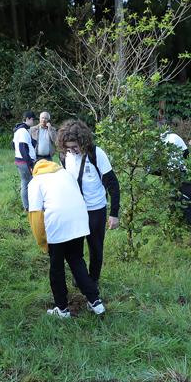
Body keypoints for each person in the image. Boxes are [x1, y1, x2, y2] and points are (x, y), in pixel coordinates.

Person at [27, 159, 105, 318]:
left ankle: (62, 309)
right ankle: (95, 302)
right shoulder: (65, 173)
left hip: (57, 224)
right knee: (77, 260)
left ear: (32, 169)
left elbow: (35, 216)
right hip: (79, 221)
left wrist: (42, 242)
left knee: (56, 268)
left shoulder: (35, 182)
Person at [57, 120, 121, 286]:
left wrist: (114, 214)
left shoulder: (96, 154)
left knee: (95, 249)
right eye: (68, 148)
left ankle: (93, 280)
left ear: (83, 141)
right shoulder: (64, 156)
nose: (72, 151)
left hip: (95, 210)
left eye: (75, 147)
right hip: (75, 210)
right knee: (74, 249)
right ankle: (80, 277)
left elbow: (113, 184)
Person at [13, 111, 37, 211]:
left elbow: (13, 145)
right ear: (27, 119)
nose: (33, 122)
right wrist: (30, 163)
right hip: (24, 162)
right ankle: (27, 207)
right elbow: (22, 147)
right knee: (27, 184)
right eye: (33, 119)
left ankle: (28, 206)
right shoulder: (22, 131)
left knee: (26, 183)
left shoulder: (20, 130)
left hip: (21, 161)